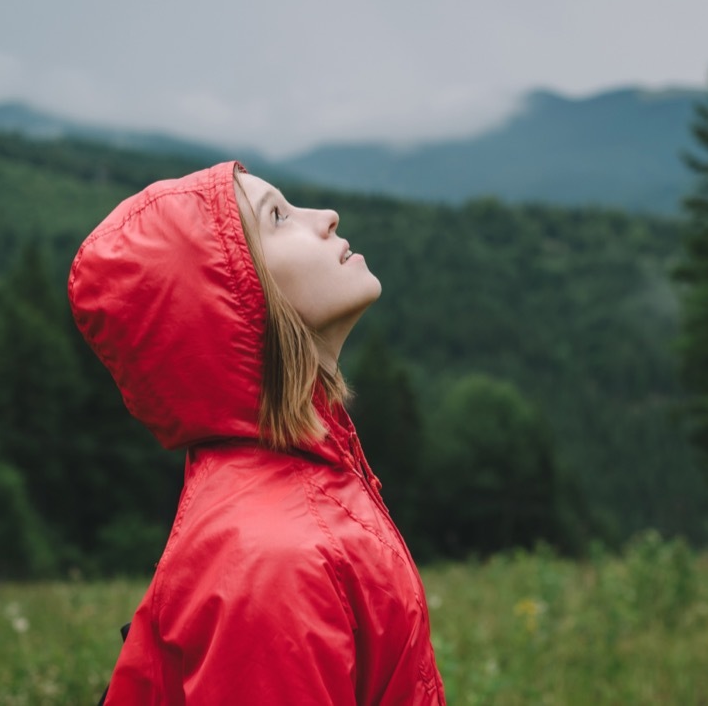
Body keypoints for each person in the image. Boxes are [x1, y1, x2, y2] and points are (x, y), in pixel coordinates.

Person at [68, 161, 445, 705]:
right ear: (232, 301)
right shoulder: (275, 563)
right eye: (278, 217)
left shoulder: (292, 496)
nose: (327, 218)